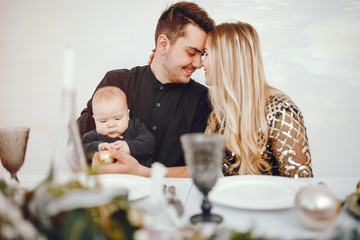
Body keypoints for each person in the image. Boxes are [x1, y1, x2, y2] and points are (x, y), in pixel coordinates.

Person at [78, 1, 215, 177]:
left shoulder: (202, 99)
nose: (198, 63)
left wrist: (142, 172)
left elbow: (202, 169)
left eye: (202, 54)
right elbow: (75, 148)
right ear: (163, 44)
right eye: (191, 52)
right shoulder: (116, 81)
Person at [202, 22, 313, 178]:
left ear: (226, 58)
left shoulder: (281, 111)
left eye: (206, 54)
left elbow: (303, 189)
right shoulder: (224, 111)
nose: (201, 63)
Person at [82, 86, 155, 167]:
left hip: (138, 175)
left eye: (117, 118)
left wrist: (129, 147)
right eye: (103, 121)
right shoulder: (92, 137)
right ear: (95, 119)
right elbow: (81, 151)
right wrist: (99, 147)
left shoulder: (135, 127)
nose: (111, 125)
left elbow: (149, 142)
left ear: (127, 115)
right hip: (106, 176)